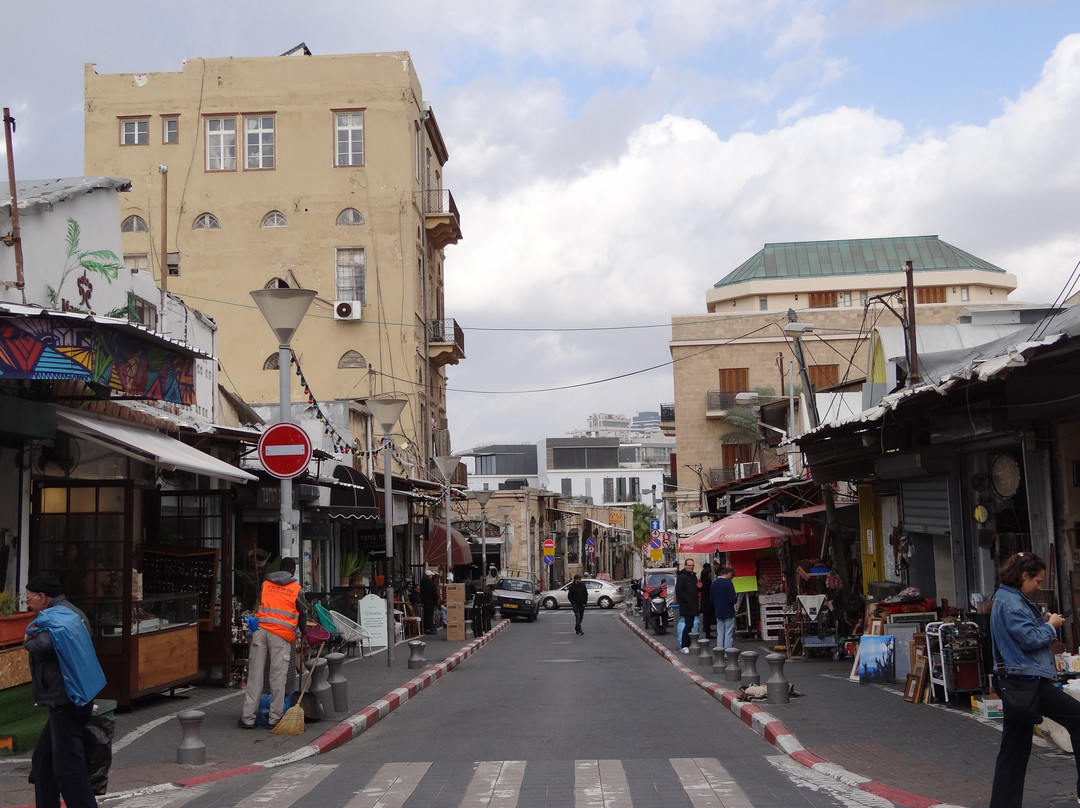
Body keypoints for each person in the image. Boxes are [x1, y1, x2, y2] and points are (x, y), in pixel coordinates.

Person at [989, 552, 1080, 807]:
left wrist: (1045, 623)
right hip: (1027, 681)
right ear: (1024, 576)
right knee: (1077, 719)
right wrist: (1050, 626)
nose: (1039, 586)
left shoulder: (1009, 597)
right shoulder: (1012, 602)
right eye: (1037, 581)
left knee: (1013, 750)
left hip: (1019, 682)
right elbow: (1029, 639)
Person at [23, 571, 99, 808]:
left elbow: (44, 644)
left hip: (67, 701)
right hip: (69, 698)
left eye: (29, 599)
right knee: (43, 759)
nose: (28, 604)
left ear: (42, 597)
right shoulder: (73, 613)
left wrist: (27, 639)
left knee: (68, 769)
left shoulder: (59, 616)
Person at [240, 557, 305, 730]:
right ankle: (274, 719)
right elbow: (302, 612)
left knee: (255, 675)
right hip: (280, 634)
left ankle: (248, 718)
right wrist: (304, 631)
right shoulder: (296, 589)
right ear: (292, 571)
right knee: (277, 676)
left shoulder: (266, 583)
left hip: (260, 631)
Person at [675, 558, 700, 653]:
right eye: (689, 565)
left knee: (692, 624)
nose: (691, 567)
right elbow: (679, 590)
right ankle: (684, 645)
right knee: (688, 624)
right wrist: (688, 600)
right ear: (685, 566)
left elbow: (694, 590)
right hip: (686, 605)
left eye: (692, 565)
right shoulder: (682, 577)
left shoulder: (693, 577)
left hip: (694, 605)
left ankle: (689, 643)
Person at [711, 566, 739, 649]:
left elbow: (711, 598)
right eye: (732, 576)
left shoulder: (714, 583)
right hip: (728, 611)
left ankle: (719, 652)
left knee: (720, 633)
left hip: (718, 611)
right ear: (728, 574)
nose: (732, 578)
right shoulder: (728, 583)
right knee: (728, 634)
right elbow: (732, 599)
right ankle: (728, 653)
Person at [699, 562, 715, 641]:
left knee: (706, 618)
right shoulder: (707, 582)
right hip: (707, 602)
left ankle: (706, 630)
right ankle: (707, 633)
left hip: (705, 602)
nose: (711, 574)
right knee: (707, 618)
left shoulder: (703, 582)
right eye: (710, 573)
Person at [420, 570, 439, 635]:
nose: (431, 576)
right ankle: (429, 628)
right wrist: (436, 599)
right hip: (430, 601)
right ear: (428, 576)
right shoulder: (430, 583)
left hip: (425, 601)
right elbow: (434, 592)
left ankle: (427, 628)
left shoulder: (423, 582)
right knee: (429, 615)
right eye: (431, 575)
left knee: (427, 615)